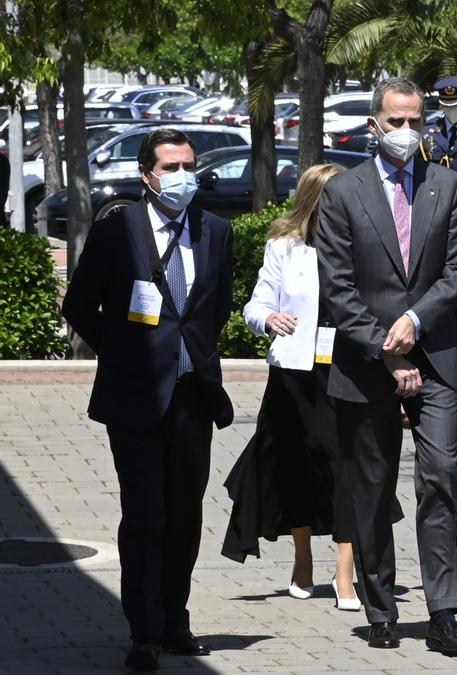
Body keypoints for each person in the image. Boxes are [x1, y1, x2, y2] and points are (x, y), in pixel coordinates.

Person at [61, 127, 234, 672]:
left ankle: (175, 620)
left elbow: (217, 307)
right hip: (134, 397)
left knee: (184, 516)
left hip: (192, 398)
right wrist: (124, 351)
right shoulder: (121, 230)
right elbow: (79, 304)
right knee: (145, 515)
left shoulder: (215, 231)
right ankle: (143, 631)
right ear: (147, 175)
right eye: (171, 167)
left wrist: (193, 354)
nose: (184, 177)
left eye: (190, 166)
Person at [315, 77, 457, 653]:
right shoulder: (342, 192)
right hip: (365, 363)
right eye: (397, 121)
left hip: (435, 355)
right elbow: (335, 288)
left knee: (441, 478)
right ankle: (380, 609)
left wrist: (417, 323)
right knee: (374, 488)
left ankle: (445, 611)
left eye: (416, 121)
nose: (407, 132)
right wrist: (386, 347)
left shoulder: (447, 185)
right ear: (374, 123)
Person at [222, 163, 393, 613]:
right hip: (296, 373)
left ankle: (346, 572)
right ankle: (302, 560)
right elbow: (257, 304)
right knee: (295, 465)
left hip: (349, 366)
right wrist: (268, 319)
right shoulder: (285, 245)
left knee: (347, 467)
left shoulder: (366, 243)